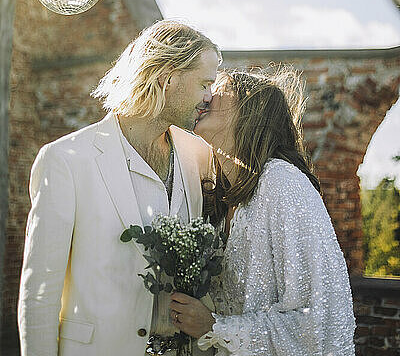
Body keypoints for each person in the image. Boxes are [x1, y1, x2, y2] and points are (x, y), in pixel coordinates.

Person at [18, 20, 220, 356]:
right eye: (204, 83)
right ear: (167, 78)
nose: (209, 97)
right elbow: (39, 293)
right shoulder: (66, 159)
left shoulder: (197, 154)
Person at [169, 67, 356, 355]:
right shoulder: (220, 193)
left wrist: (214, 327)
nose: (206, 97)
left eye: (219, 89)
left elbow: (318, 321)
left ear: (250, 110)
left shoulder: (283, 183)